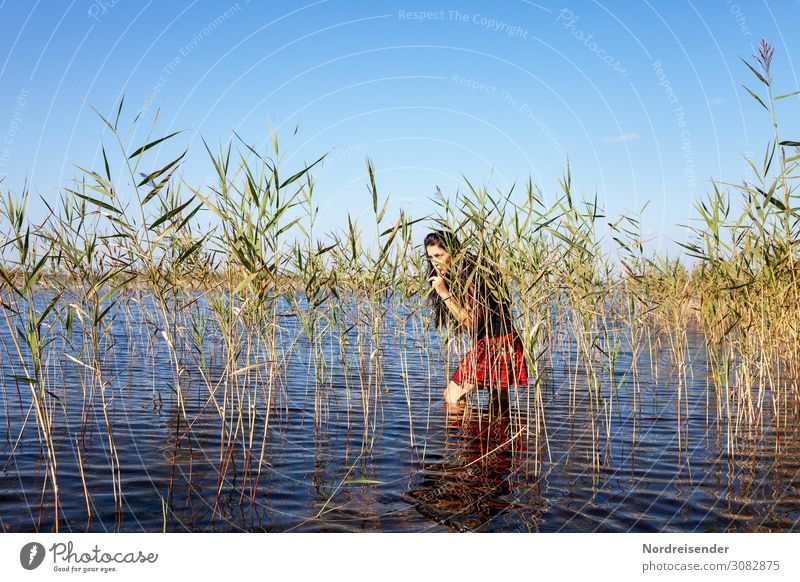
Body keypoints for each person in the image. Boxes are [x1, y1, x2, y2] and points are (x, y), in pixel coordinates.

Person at [424, 230, 528, 407]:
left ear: (453, 251)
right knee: (498, 400)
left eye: (439, 255)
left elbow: (471, 322)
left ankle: (468, 435)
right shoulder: (469, 268)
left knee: (452, 396)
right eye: (431, 257)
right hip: (500, 340)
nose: (435, 262)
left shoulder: (471, 271)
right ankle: (498, 433)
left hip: (495, 344)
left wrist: (443, 292)